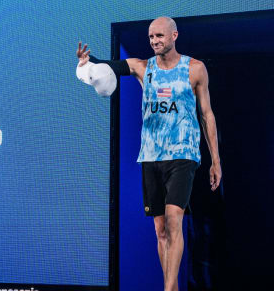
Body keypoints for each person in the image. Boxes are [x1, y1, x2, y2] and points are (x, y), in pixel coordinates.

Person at [76, 16, 221, 291]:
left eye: (160, 36)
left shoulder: (195, 69)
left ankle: (169, 288)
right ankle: (172, 286)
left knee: (174, 217)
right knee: (160, 229)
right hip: (151, 155)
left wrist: (216, 160)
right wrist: (88, 61)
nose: (155, 41)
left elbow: (207, 114)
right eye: (151, 37)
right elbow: (112, 66)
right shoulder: (143, 68)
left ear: (174, 35)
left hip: (183, 153)